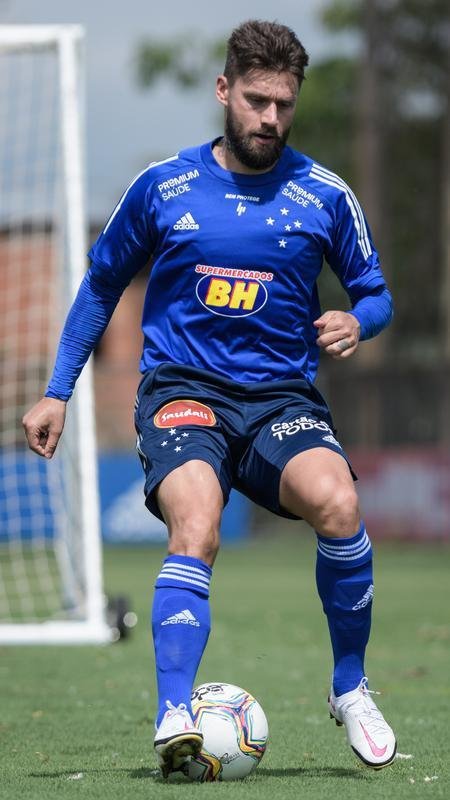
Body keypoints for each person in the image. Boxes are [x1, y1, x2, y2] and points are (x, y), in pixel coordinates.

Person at [23, 19, 397, 777]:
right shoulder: (164, 187)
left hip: (280, 399)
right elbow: (101, 286)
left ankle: (349, 686)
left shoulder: (324, 195)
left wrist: (358, 320)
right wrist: (57, 391)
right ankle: (173, 711)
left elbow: (377, 293)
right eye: (257, 100)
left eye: (284, 105)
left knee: (340, 506)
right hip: (181, 391)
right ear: (225, 91)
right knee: (196, 520)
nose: (270, 119)